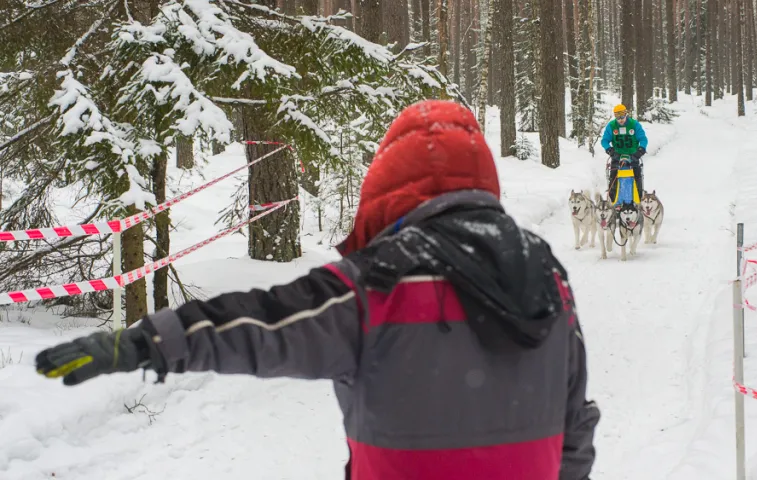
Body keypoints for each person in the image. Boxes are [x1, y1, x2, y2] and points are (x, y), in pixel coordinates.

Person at [35, 100, 600, 480]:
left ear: (389, 193)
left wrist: (147, 343)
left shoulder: (379, 281)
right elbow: (575, 425)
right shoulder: (545, 274)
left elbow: (263, 323)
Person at [600, 104, 648, 204]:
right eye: (618, 118)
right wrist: (609, 149)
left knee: (637, 178)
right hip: (617, 157)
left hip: (633, 156)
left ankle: (638, 200)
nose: (620, 120)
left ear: (626, 114)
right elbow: (604, 140)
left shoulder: (634, 125)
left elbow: (643, 139)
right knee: (613, 179)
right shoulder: (611, 126)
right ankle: (613, 201)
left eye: (622, 117)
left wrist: (641, 149)